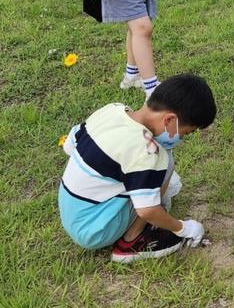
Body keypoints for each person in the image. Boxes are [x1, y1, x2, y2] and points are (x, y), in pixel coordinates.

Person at [58, 74, 216, 262]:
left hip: (73, 216)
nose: (180, 139)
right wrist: (183, 228)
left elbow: (69, 146)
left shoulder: (112, 110)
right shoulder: (146, 150)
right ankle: (131, 241)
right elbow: (147, 210)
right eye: (185, 133)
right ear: (169, 120)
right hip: (98, 231)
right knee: (165, 163)